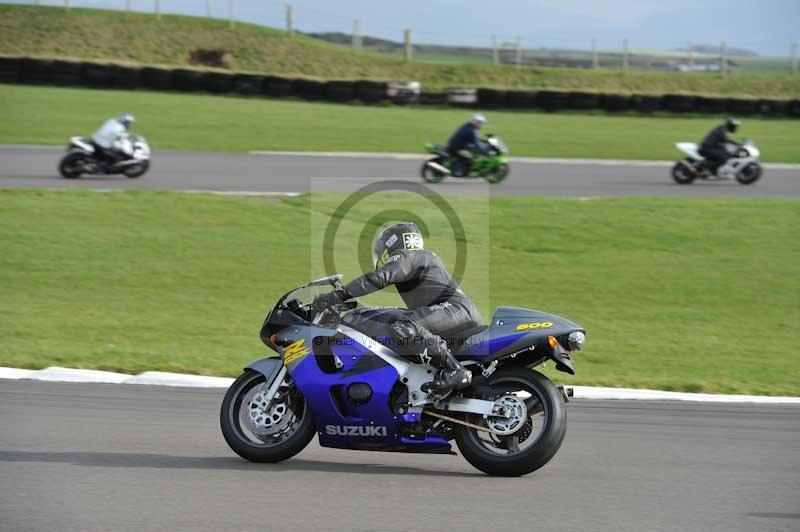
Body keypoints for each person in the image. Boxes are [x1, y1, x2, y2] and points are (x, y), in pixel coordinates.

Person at [314, 222, 483, 394]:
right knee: (406, 326)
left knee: (401, 325)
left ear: (394, 243)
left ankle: (455, 370)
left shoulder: (407, 255)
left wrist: (339, 294)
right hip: (459, 312)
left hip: (453, 309)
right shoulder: (423, 258)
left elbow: (380, 277)